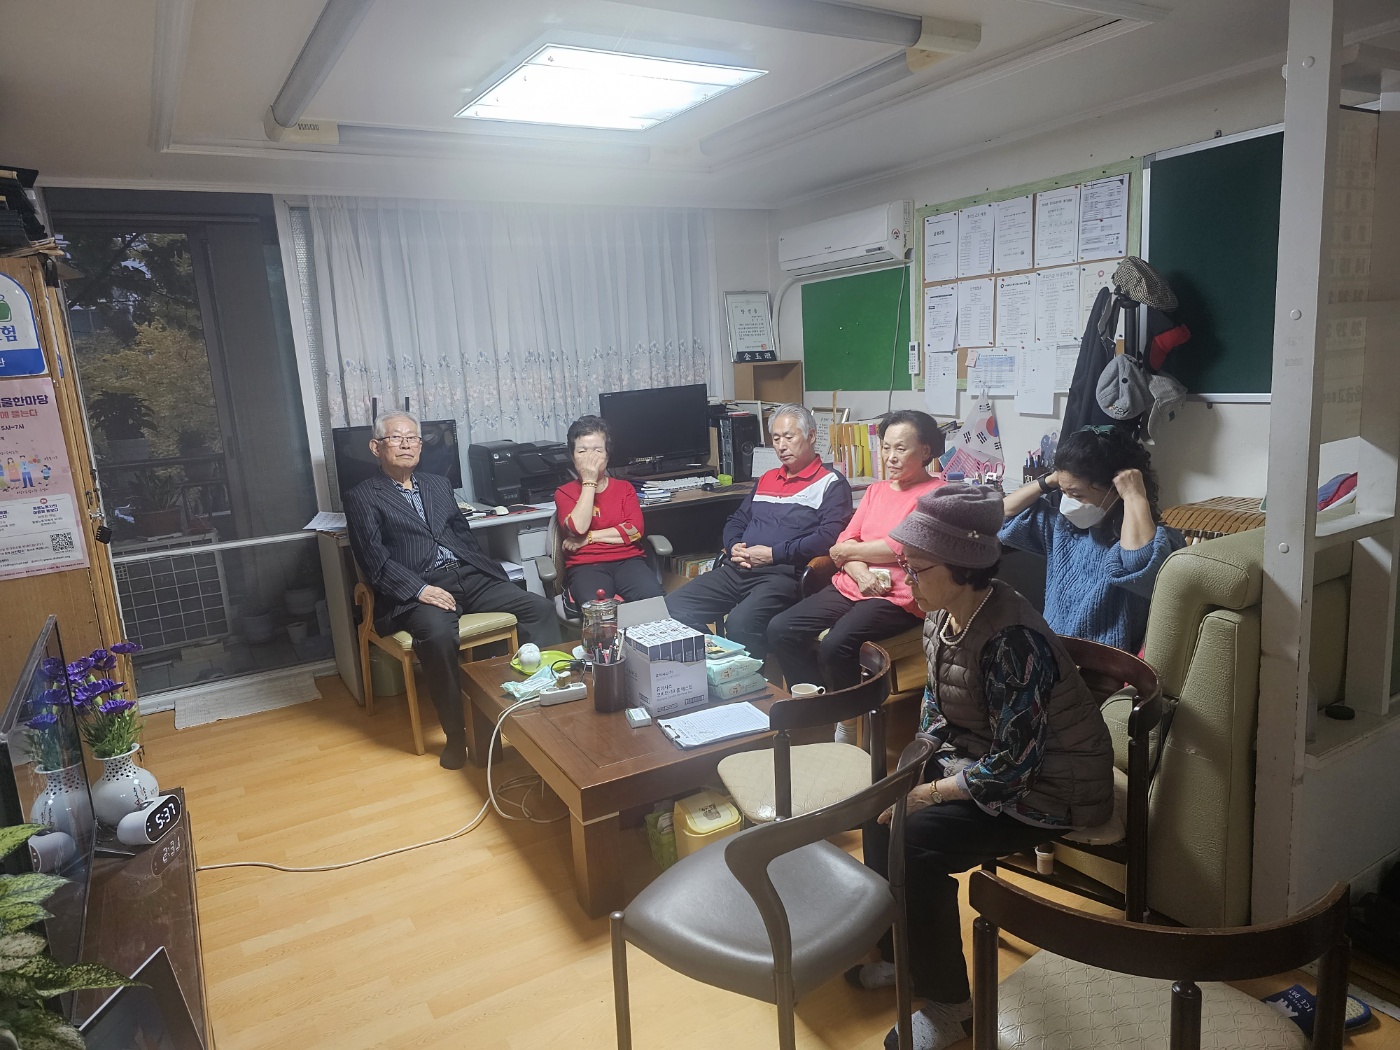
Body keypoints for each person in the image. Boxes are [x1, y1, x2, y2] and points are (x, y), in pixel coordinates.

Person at [852, 484, 1114, 1050]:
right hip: (987, 760)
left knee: (914, 841)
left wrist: (929, 792)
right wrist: (911, 771)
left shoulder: (1011, 642)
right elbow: (936, 710)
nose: (905, 577)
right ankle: (903, 956)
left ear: (963, 567)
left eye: (916, 567)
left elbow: (1017, 767)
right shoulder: (942, 615)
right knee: (880, 811)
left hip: (1053, 786)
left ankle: (951, 1006)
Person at [344, 411, 560, 770]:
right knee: (438, 635)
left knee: (539, 609)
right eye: (396, 438)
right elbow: (374, 561)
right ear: (376, 447)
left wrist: (483, 568)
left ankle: (543, 703)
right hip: (418, 588)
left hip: (467, 577)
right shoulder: (363, 496)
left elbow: (463, 535)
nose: (406, 445)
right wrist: (419, 589)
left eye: (413, 438)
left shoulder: (437, 484)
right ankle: (457, 734)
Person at [767, 409, 945, 694]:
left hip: (897, 595)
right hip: (852, 583)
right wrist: (860, 572)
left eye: (900, 449)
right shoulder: (876, 490)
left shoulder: (936, 494)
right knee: (781, 628)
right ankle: (817, 701)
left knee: (836, 645)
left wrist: (850, 554)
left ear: (925, 451)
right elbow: (843, 542)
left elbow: (901, 546)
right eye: (886, 447)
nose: (890, 457)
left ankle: (850, 713)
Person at [665, 403, 852, 658]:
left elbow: (828, 538)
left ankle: (750, 675)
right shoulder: (767, 478)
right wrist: (733, 545)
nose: (781, 446)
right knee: (673, 608)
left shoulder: (831, 483)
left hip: (782, 575)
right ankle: (719, 663)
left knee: (740, 624)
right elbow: (737, 519)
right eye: (776, 438)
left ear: (810, 436)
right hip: (738, 568)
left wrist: (774, 554)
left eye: (789, 437)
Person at [999, 425, 1184, 653]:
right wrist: (1049, 481)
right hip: (1056, 655)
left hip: (1106, 665)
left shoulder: (1161, 541)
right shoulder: (1063, 528)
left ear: (1115, 489)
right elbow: (1004, 515)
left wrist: (1134, 495)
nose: (1068, 502)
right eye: (1064, 492)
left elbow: (1137, 562)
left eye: (1077, 494)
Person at [553, 415, 664, 611]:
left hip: (629, 561)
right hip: (586, 565)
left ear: (607, 455)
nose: (590, 458)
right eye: (582, 451)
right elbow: (577, 529)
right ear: (572, 456)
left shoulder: (624, 488)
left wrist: (589, 538)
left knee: (654, 602)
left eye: (597, 450)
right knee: (599, 612)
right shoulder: (564, 493)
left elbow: (634, 530)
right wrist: (589, 481)